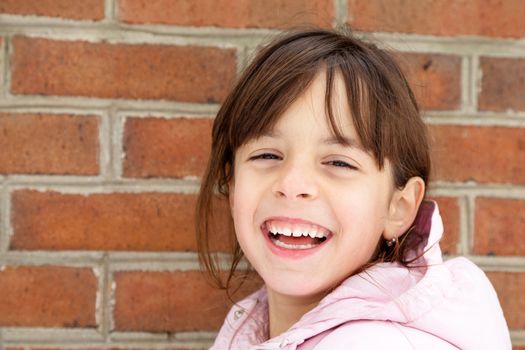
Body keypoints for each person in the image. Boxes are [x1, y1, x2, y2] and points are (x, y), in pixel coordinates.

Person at [195, 28, 511, 349]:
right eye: (266, 155)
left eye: (339, 163)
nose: (292, 185)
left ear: (398, 207)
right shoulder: (253, 325)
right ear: (232, 183)